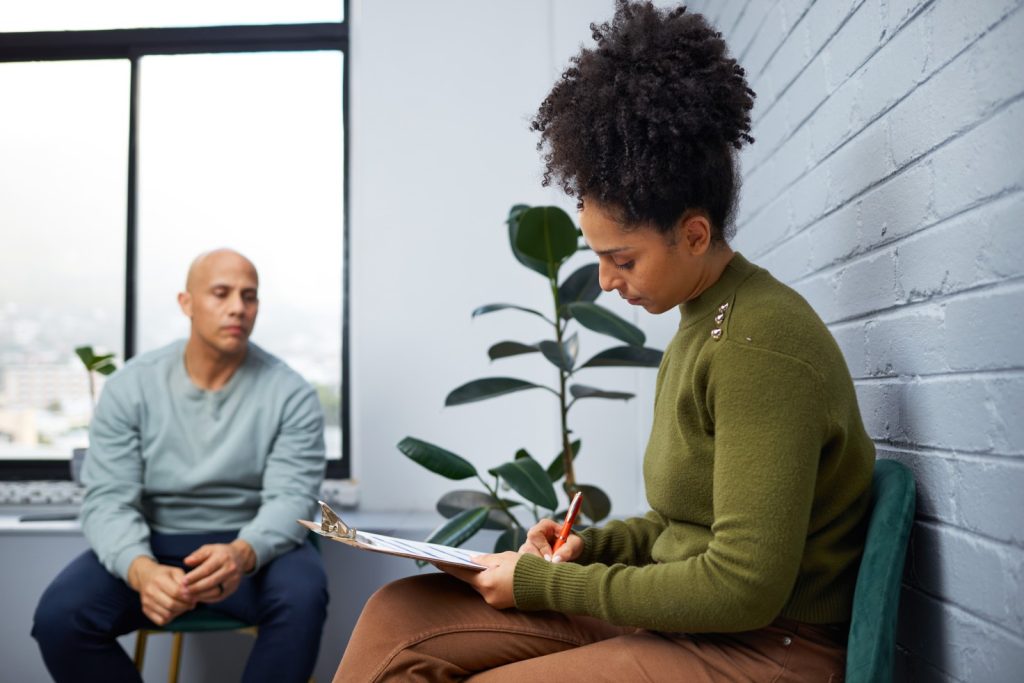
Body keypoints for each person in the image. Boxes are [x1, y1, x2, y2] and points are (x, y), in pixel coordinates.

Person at [334, 2, 875, 681]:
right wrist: (588, 547)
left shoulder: (757, 343)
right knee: (399, 616)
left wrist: (541, 585)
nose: (605, 279)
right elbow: (682, 528)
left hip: (765, 646)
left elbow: (741, 585)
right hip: (699, 617)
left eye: (622, 259)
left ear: (695, 234)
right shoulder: (700, 320)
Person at [33, 248, 329, 683]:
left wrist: (243, 553)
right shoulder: (131, 387)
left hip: (250, 551)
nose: (237, 308)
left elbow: (292, 497)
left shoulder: (291, 394)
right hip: (152, 545)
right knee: (61, 617)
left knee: (304, 594)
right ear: (186, 303)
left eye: (249, 297)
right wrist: (141, 570)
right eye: (221, 293)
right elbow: (108, 499)